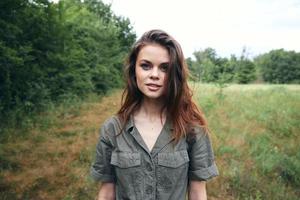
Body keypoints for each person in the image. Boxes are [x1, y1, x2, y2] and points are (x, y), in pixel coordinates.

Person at [90, 29, 219, 200]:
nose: (154, 75)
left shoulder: (193, 129)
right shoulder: (112, 129)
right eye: (146, 66)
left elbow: (197, 193)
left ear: (175, 74)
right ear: (133, 70)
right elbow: (106, 192)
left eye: (165, 68)